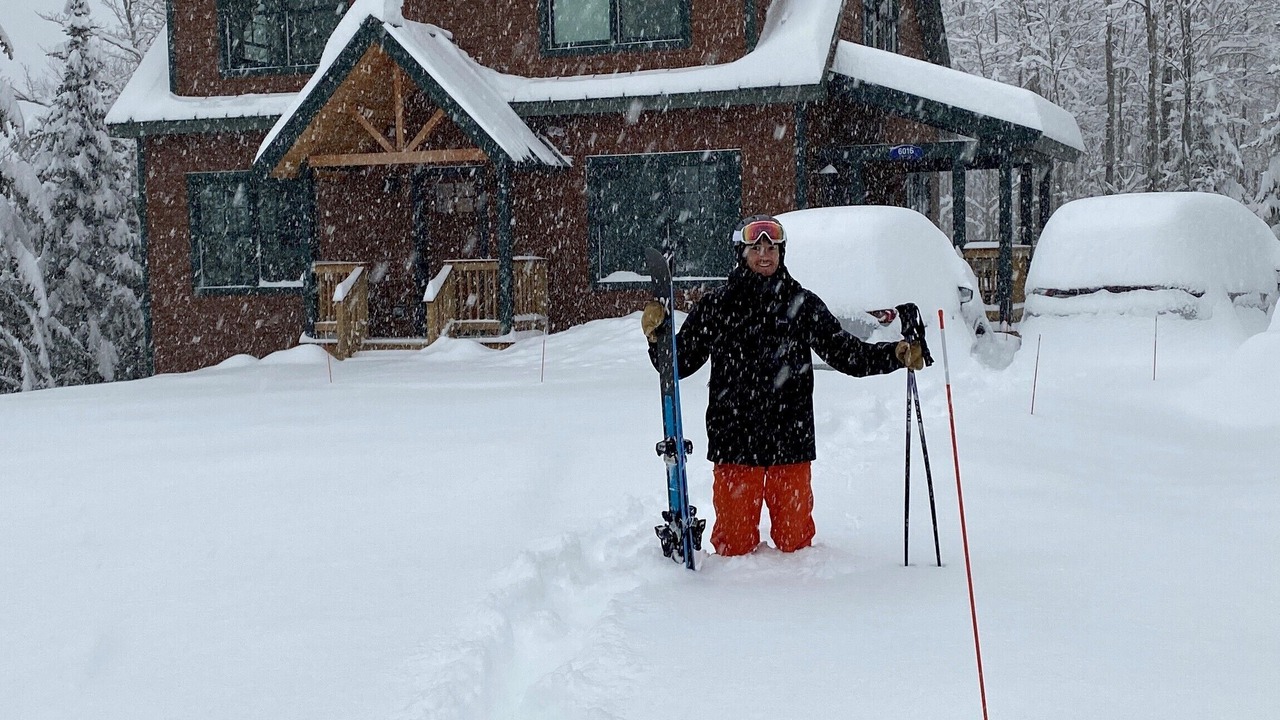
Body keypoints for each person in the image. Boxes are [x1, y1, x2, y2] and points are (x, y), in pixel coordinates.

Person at [642, 214, 924, 557]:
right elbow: (679, 364)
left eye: (772, 248)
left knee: (797, 549)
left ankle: (798, 610)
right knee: (733, 550)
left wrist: (894, 355)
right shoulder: (718, 306)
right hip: (734, 443)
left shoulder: (801, 303)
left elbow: (846, 354)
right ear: (742, 253)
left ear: (782, 253)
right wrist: (658, 339)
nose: (765, 254)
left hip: (789, 442)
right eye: (756, 247)